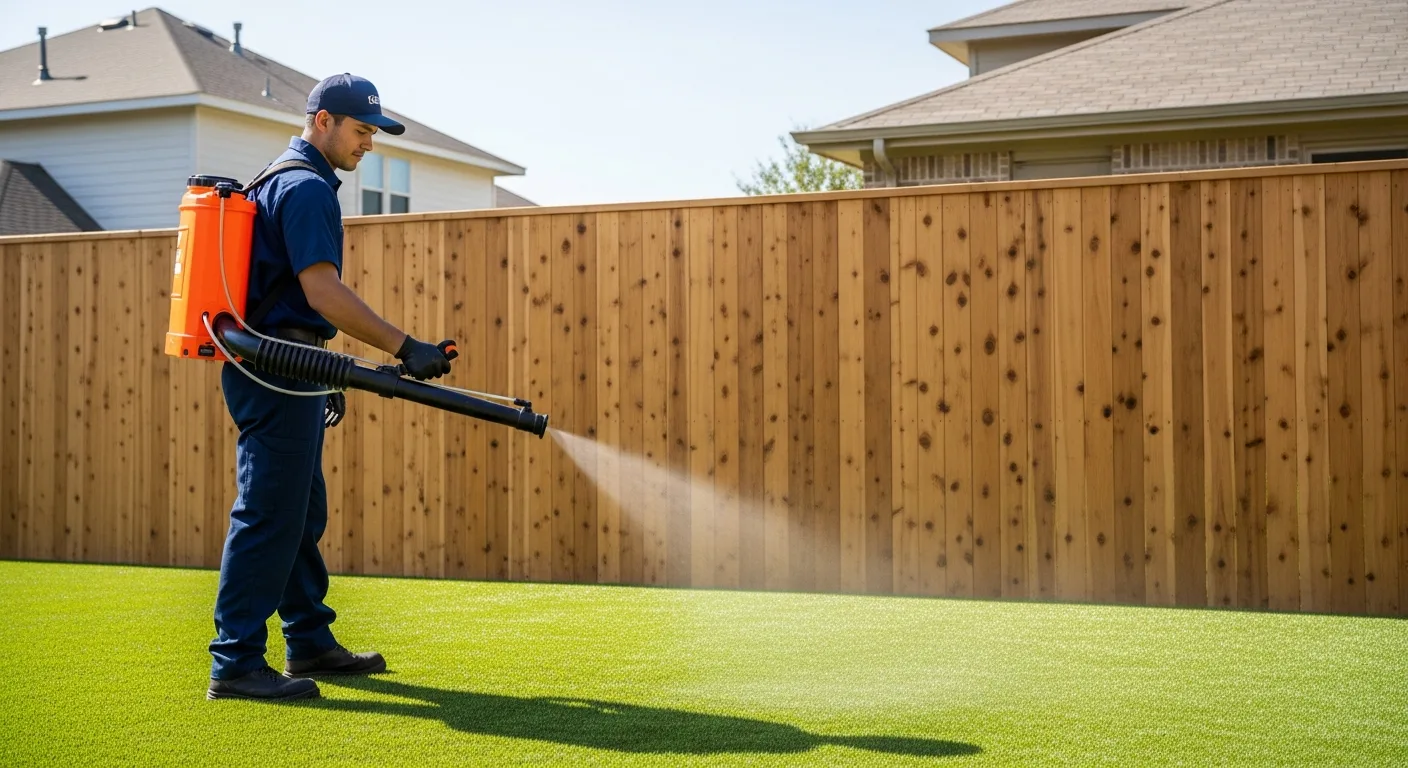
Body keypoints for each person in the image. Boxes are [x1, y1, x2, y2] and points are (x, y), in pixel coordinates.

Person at [206, 73, 454, 701]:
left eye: (374, 132)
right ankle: (234, 663)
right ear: (323, 121)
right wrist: (406, 347)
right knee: (268, 511)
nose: (369, 143)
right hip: (278, 368)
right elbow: (320, 291)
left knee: (300, 510)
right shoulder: (307, 186)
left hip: (286, 365)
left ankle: (309, 638)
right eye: (362, 129)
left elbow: (292, 296)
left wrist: (322, 370)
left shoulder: (279, 179)